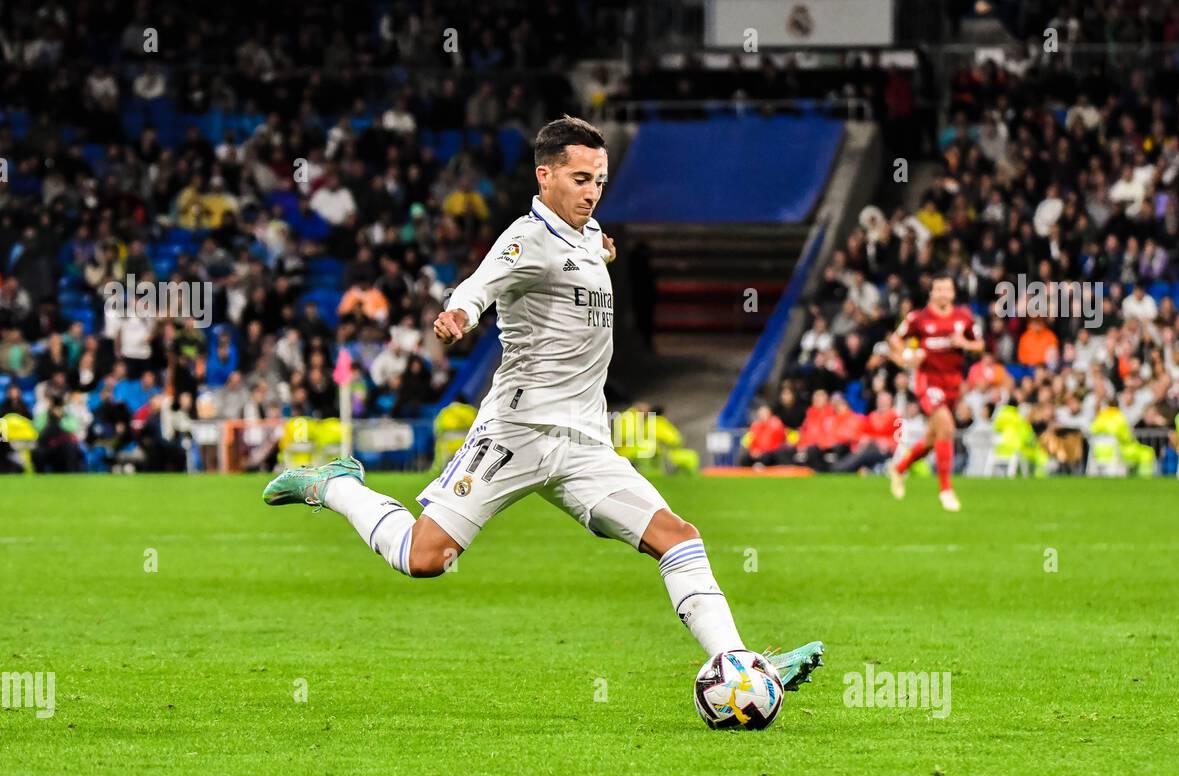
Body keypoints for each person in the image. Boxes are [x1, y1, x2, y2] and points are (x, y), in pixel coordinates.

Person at [262, 116, 824, 694]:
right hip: (516, 433)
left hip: (585, 444)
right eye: (581, 179)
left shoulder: (586, 236)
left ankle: (740, 664)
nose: (592, 191)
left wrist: (601, 251)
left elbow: (577, 261)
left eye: (600, 181)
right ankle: (334, 485)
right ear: (545, 176)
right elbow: (483, 280)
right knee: (422, 557)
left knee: (677, 536)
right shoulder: (526, 238)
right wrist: (460, 313)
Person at [885, 273, 984, 511]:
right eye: (938, 289)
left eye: (946, 289)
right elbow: (895, 340)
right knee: (947, 427)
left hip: (952, 383)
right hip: (928, 382)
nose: (943, 293)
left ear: (952, 293)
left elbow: (980, 346)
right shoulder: (918, 319)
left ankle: (899, 469)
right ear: (932, 292)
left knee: (932, 438)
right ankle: (946, 490)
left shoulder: (964, 318)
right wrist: (909, 355)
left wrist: (965, 344)